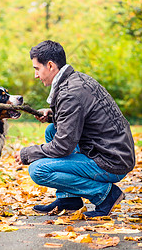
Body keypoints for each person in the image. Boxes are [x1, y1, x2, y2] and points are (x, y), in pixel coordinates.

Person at [14, 40, 135, 217]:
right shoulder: (76, 80)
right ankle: (69, 198)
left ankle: (106, 195)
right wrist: (53, 115)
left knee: (38, 170)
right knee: (51, 130)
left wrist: (27, 154)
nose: (36, 75)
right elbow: (78, 117)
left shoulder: (70, 93)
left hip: (111, 162)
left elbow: (63, 146)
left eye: (36, 69)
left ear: (50, 65)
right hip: (114, 152)